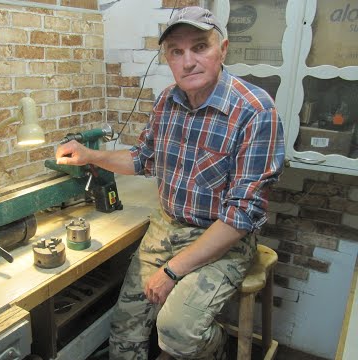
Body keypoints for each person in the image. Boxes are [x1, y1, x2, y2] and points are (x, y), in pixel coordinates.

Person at [55, 6, 285, 360]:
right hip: (166, 226)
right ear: (167, 57)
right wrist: (91, 155)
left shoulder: (255, 111)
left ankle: (217, 346)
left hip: (222, 237)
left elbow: (241, 216)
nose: (188, 61)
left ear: (222, 49)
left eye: (200, 47)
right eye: (177, 51)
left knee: (177, 332)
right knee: (125, 331)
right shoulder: (167, 101)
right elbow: (143, 159)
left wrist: (171, 271)